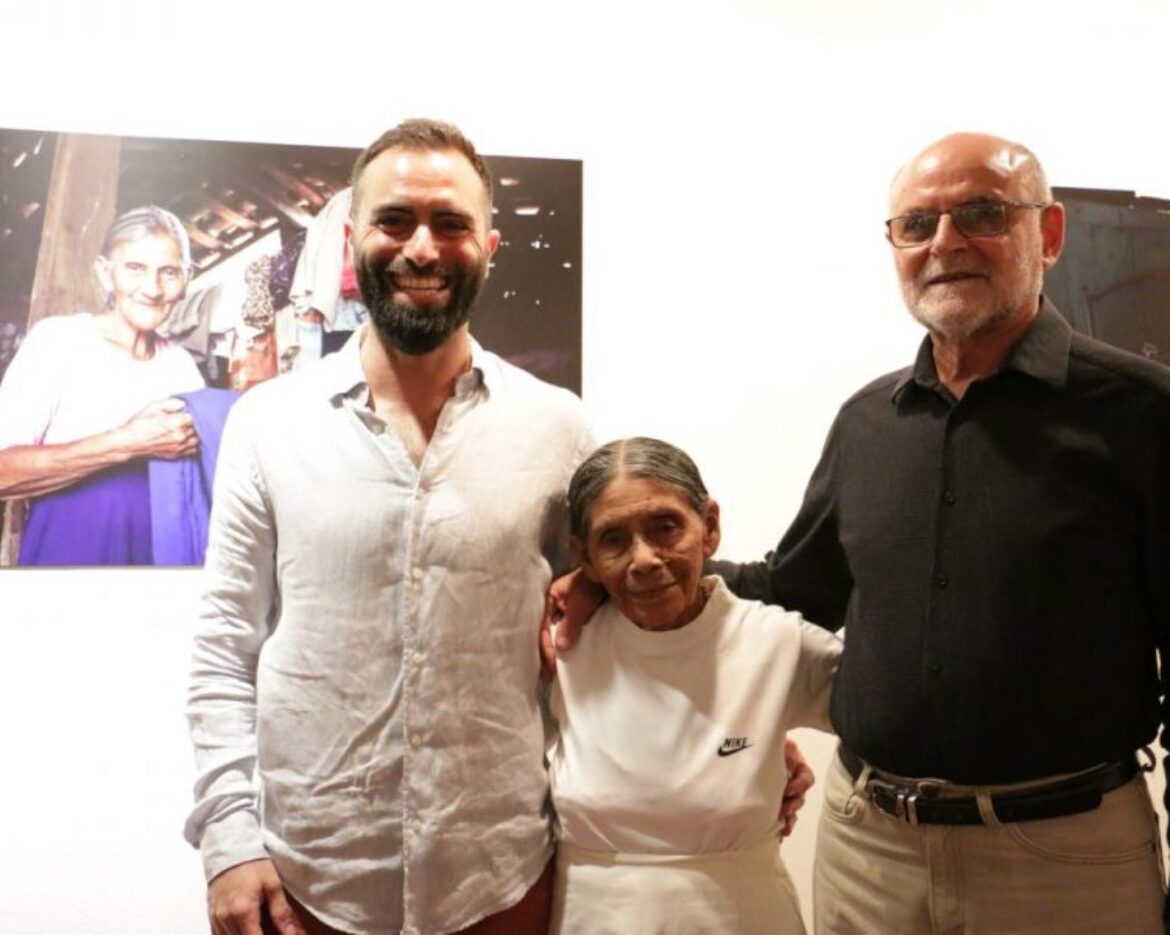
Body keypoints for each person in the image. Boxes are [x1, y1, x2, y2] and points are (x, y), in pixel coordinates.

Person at [550, 132, 1170, 934]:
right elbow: (795, 587)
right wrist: (629, 573)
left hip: (1063, 858)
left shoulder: (1144, 415)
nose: (945, 241)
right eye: (917, 224)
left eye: (980, 213)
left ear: (1047, 235)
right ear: (894, 247)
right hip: (869, 850)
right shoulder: (868, 421)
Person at [184, 119, 596, 935]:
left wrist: (726, 727)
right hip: (306, 884)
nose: (421, 247)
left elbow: (612, 629)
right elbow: (224, 648)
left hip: (504, 881)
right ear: (351, 235)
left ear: (489, 245)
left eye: (451, 224)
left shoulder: (560, 429)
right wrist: (229, 840)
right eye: (394, 220)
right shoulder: (269, 424)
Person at [547, 437, 840, 934]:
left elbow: (895, 721)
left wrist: (764, 758)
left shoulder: (776, 639)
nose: (643, 559)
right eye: (613, 539)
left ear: (710, 527)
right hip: (591, 919)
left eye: (665, 528)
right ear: (584, 557)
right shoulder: (561, 646)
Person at [0, 205, 204, 565]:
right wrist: (126, 442)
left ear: (187, 278)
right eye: (135, 268)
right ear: (104, 272)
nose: (153, 289)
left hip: (160, 557)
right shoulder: (59, 340)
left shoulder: (182, 366)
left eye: (169, 272)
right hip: (70, 552)